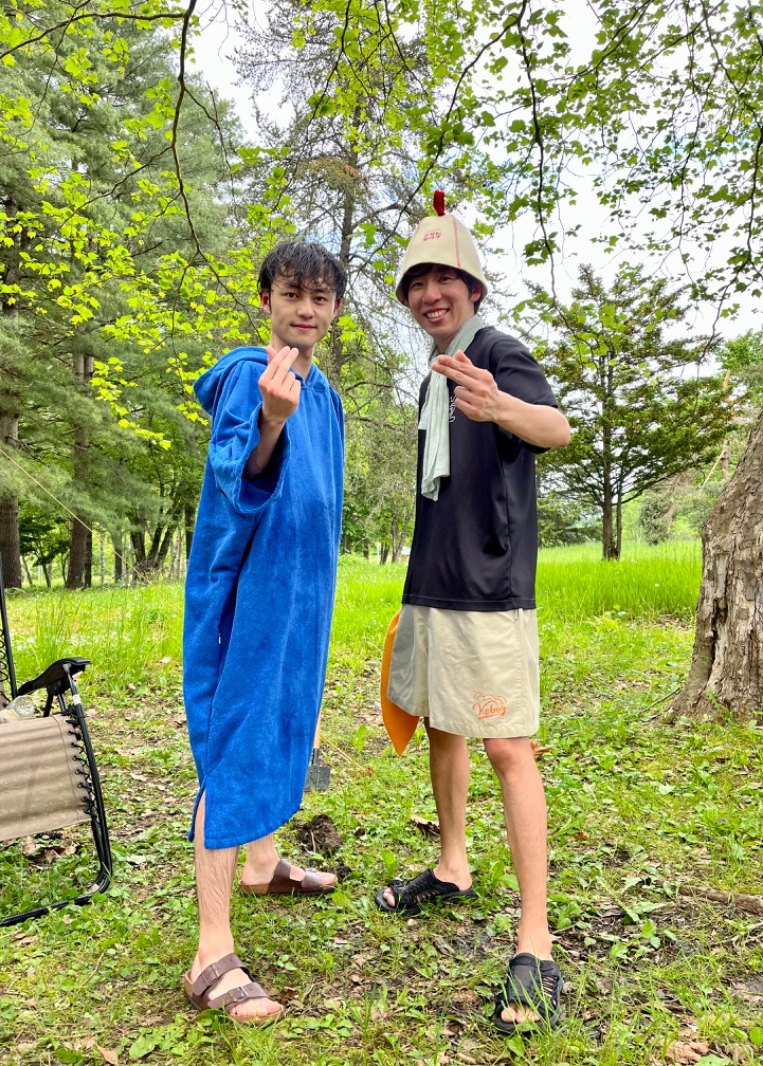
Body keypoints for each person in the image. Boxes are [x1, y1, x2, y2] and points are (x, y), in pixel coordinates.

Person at [375, 193, 571, 1034]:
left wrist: (501, 408)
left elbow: (556, 429)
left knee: (506, 746)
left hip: (491, 591)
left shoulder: (496, 352)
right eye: (417, 282)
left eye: (444, 277)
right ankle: (452, 865)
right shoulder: (433, 372)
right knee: (441, 725)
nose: (430, 293)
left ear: (474, 287)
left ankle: (538, 938)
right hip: (432, 585)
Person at [181, 241, 347, 1024]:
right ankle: (211, 952)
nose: (305, 308)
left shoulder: (331, 398)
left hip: (303, 593)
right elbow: (234, 476)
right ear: (268, 299)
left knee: (287, 722)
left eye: (320, 296)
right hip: (247, 593)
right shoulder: (253, 376)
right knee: (239, 739)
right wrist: (270, 424)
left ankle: (265, 863)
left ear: (336, 309)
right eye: (292, 293)